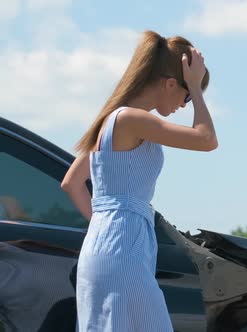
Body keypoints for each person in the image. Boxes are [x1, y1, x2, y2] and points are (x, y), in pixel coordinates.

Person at [61, 30, 217, 332]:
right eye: (185, 96)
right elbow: (206, 139)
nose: (185, 105)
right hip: (123, 248)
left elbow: (71, 183)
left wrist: (108, 221)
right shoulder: (131, 119)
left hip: (103, 245)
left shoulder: (110, 122)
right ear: (171, 83)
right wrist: (196, 87)